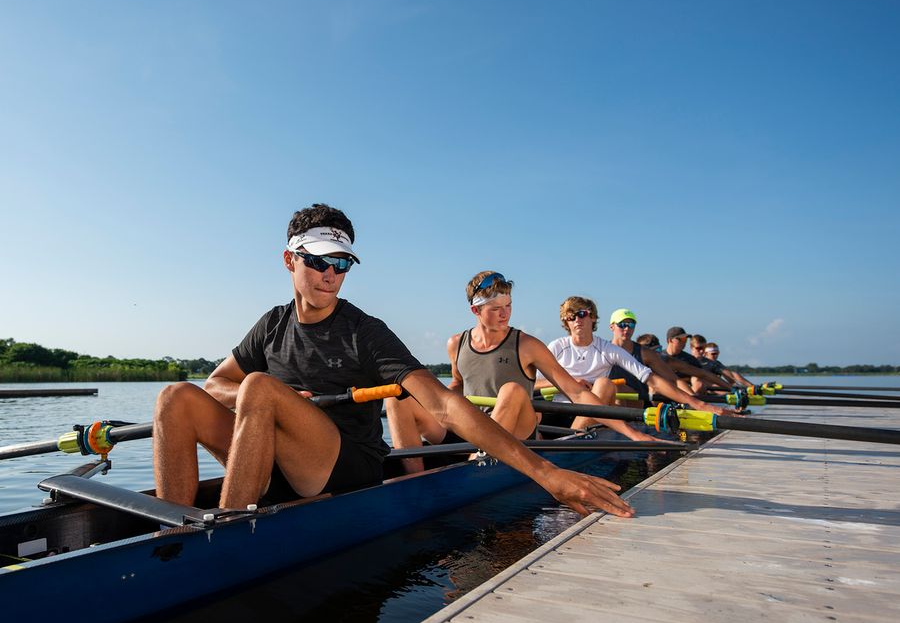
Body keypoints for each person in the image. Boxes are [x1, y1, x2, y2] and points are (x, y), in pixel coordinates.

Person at [153, 206, 634, 518]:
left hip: (342, 464)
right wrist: (274, 404)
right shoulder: (272, 324)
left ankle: (228, 538)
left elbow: (445, 406)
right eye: (319, 261)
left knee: (259, 386)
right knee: (176, 397)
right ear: (288, 260)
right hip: (278, 458)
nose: (330, 275)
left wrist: (547, 474)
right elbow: (217, 383)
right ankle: (170, 534)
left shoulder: (366, 331)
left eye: (341, 264)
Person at [386, 272, 659, 475]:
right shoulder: (456, 343)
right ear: (475, 310)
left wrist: (632, 433)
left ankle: (472, 471)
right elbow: (456, 385)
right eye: (496, 309)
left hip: (518, 431)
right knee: (398, 396)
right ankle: (414, 480)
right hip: (470, 427)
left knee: (512, 390)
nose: (505, 314)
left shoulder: (528, 345)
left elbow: (577, 393)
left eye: (508, 306)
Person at [535, 299, 732, 424]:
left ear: (593, 318)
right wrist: (569, 383)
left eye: (582, 314)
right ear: (565, 322)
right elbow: (534, 384)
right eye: (571, 316)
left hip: (591, 414)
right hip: (557, 409)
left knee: (604, 385)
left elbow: (651, 380)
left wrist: (698, 404)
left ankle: (570, 439)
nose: (576, 320)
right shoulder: (556, 346)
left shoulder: (608, 349)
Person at [660, 327, 733, 394]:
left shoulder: (691, 360)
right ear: (670, 340)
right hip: (665, 390)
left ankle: (692, 403)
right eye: (681, 339)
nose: (684, 342)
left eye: (685, 339)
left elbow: (704, 377)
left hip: (688, 393)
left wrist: (730, 389)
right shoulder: (658, 357)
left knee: (698, 382)